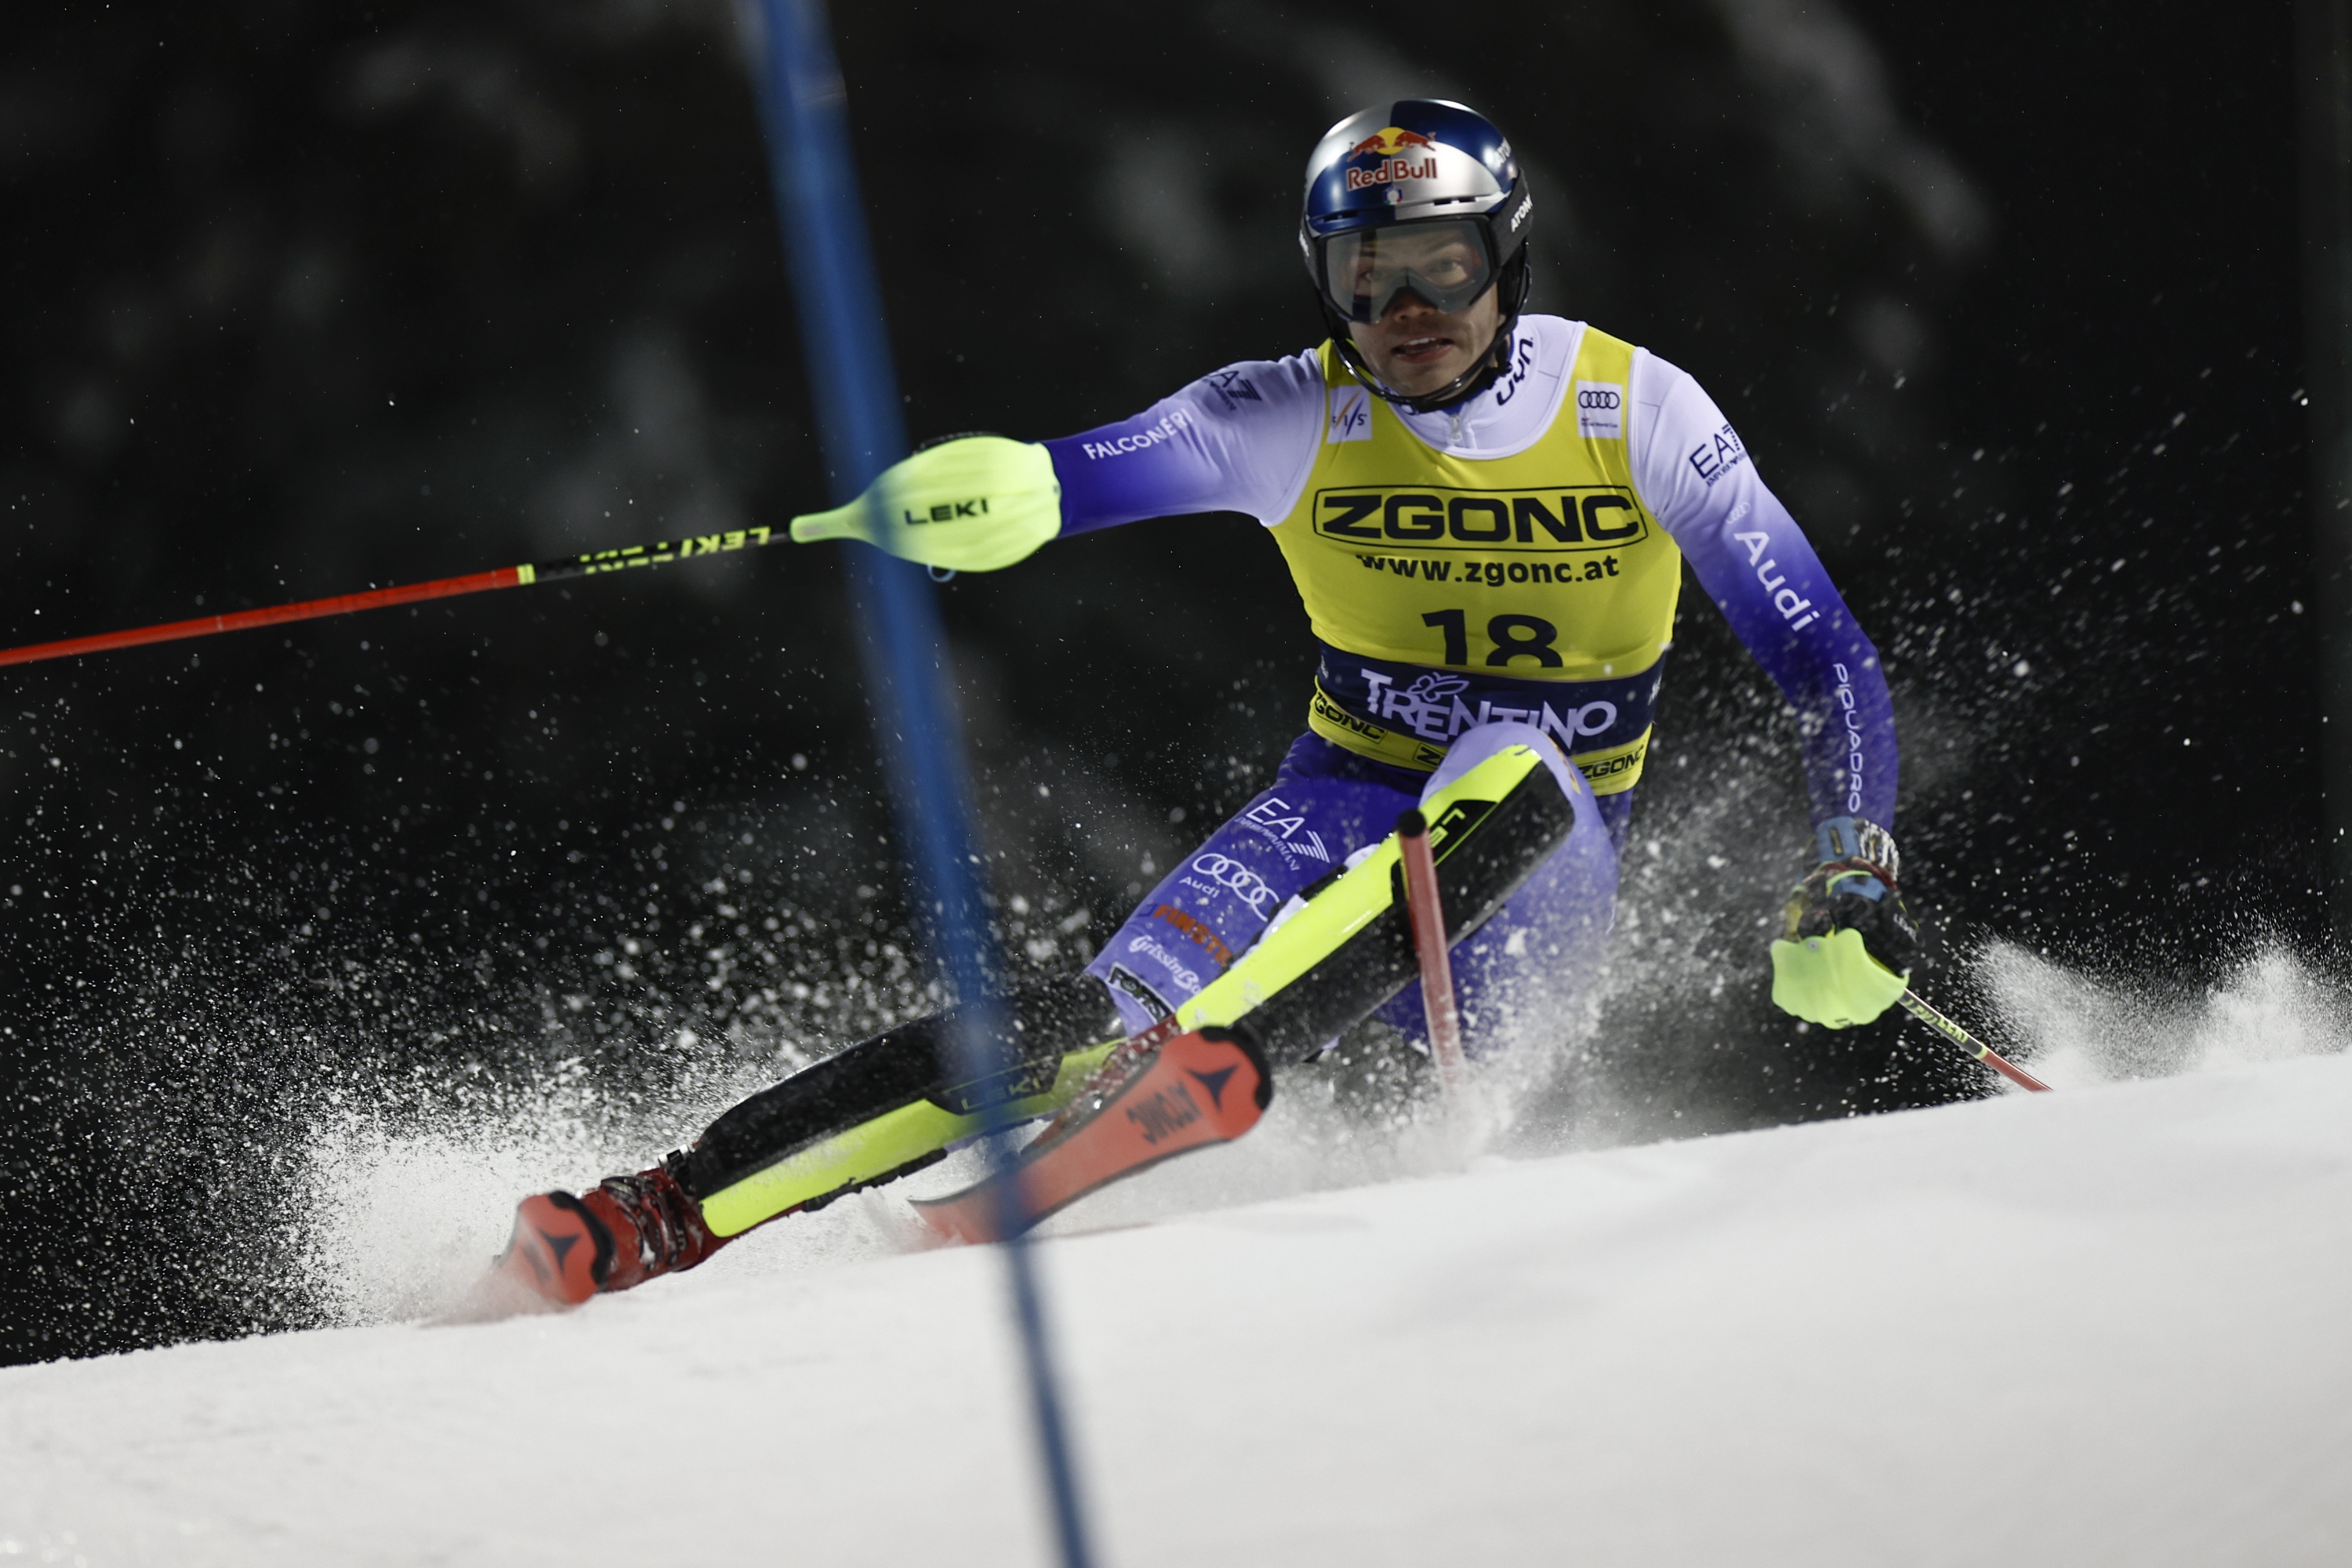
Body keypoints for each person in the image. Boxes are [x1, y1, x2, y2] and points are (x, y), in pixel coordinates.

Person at [484, 99, 1919, 1308]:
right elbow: (1076, 474)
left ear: (1509, 259)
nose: (1408, 314)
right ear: (1325, 285)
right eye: (1367, 279)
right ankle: (668, 1211)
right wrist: (986, 498)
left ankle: (1217, 1060)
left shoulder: (1636, 410)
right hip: (1333, 812)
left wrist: (1852, 868)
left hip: (1530, 895)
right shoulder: (1287, 412)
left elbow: (1827, 661)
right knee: (1081, 1019)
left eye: (1443, 268)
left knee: (1512, 750)